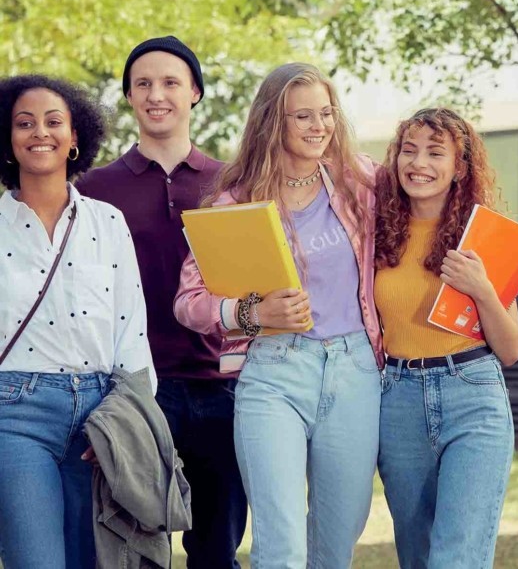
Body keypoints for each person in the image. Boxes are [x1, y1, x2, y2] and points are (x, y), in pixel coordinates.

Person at [174, 63, 383, 569]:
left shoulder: (361, 182)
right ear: (273, 122)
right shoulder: (235, 202)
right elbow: (188, 303)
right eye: (302, 116)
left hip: (354, 370)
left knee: (336, 542)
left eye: (326, 114)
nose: (319, 126)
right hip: (272, 373)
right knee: (281, 543)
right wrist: (251, 311)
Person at [75, 36, 247, 568]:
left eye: (171, 82)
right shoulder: (93, 188)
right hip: (134, 393)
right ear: (128, 96)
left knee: (217, 551)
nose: (157, 94)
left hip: (224, 388)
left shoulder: (234, 183)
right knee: (134, 549)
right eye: (143, 83)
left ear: (194, 92)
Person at [0, 75, 155, 569]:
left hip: (100, 413)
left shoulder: (108, 223)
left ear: (74, 139)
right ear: (8, 140)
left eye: (53, 122)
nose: (38, 132)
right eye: (24, 123)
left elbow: (131, 329)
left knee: (101, 561)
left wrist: (125, 419)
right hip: (15, 416)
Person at [374, 107, 518, 569]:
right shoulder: (376, 232)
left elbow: (510, 349)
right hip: (396, 402)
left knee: (456, 558)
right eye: (409, 151)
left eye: (435, 153)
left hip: (472, 394)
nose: (419, 164)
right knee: (417, 555)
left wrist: (481, 289)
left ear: (460, 167)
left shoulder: (483, 237)